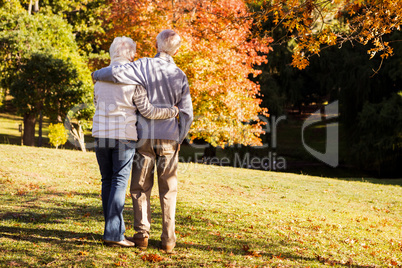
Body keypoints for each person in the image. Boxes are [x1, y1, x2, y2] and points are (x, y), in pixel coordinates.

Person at [92, 29, 193, 253]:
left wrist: (96, 74)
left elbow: (116, 74)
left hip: (143, 137)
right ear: (176, 50)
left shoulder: (141, 65)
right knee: (168, 189)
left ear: (157, 45)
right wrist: (179, 137)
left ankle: (141, 235)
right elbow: (187, 113)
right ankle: (168, 239)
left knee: (140, 187)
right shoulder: (180, 75)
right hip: (168, 137)